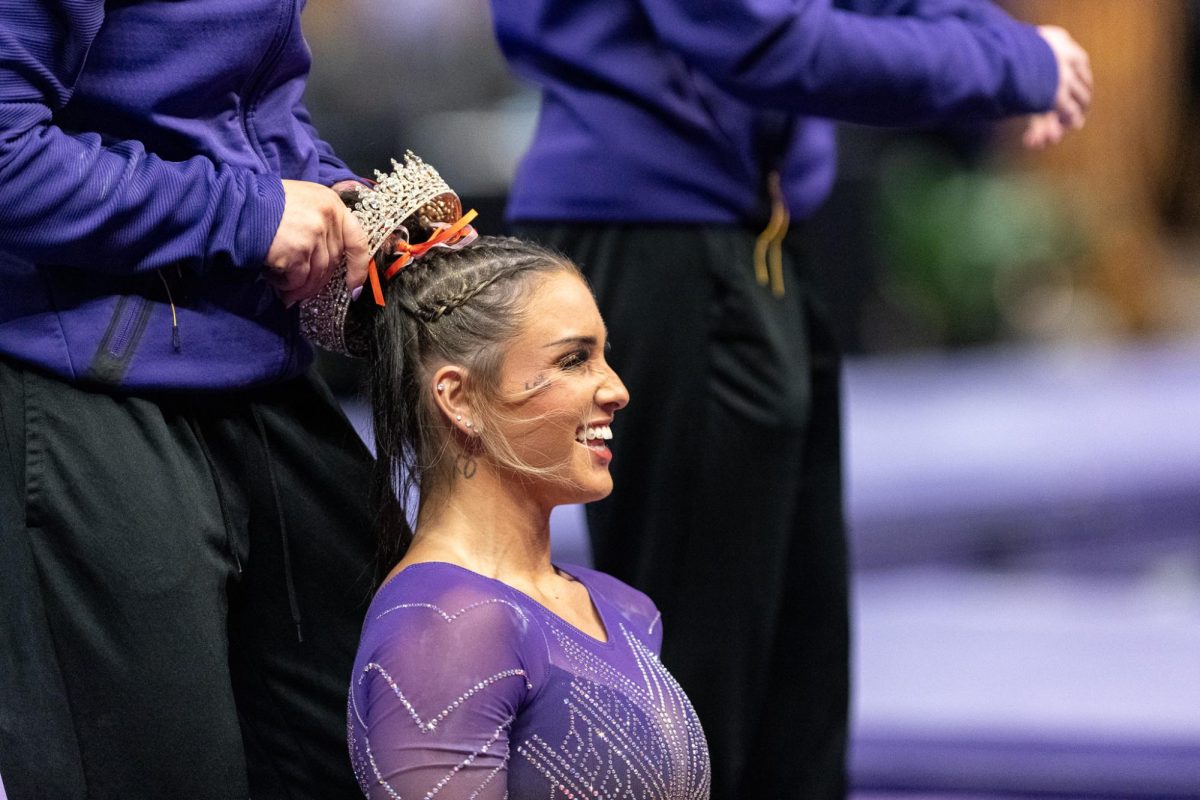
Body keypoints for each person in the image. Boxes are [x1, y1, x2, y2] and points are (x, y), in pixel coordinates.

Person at [487, 1, 1092, 797]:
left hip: (752, 229)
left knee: (798, 695)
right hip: (662, 231)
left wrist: (1001, 44)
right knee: (701, 698)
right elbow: (760, 37)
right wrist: (1008, 63)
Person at [0, 2, 378, 798]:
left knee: (370, 743)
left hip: (258, 364)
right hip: (81, 379)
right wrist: (252, 212)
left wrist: (333, 192)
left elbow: (249, 105)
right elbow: (6, 159)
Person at [345, 234, 712, 799]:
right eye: (574, 359)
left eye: (604, 355)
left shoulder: (623, 608)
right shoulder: (446, 628)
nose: (617, 389)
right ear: (459, 399)